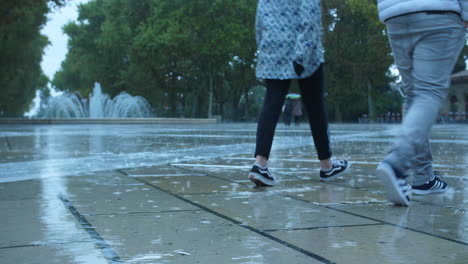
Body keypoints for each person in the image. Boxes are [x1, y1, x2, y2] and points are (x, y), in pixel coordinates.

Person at [248, 0, 349, 187]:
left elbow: (259, 21)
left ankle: (260, 164)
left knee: (271, 104)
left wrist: (263, 49)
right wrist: (302, 53)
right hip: (301, 48)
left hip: (272, 48)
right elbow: (310, 15)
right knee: (315, 106)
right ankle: (327, 166)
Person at [376, 0, 467, 206]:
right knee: (428, 92)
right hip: (437, 11)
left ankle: (423, 178)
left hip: (395, 15)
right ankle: (397, 161)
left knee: (413, 94)